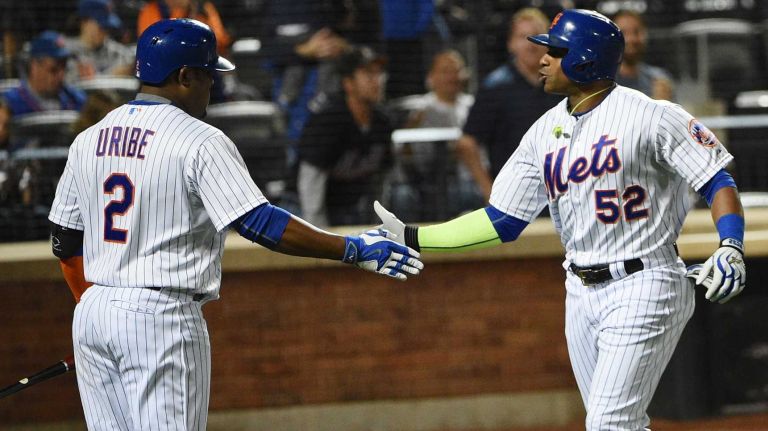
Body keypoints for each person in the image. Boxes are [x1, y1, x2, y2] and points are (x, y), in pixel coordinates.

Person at [374, 9, 746, 430]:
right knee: (616, 424)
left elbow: (717, 179)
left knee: (609, 423)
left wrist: (730, 245)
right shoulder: (542, 132)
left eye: (554, 51)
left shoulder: (654, 115)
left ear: (585, 58)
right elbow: (502, 220)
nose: (542, 60)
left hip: (647, 281)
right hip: (580, 291)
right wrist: (415, 237)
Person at [47, 19, 422, 430]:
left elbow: (65, 240)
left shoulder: (90, 138)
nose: (214, 86)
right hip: (160, 318)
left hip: (93, 312)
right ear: (184, 75)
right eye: (208, 75)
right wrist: (351, 249)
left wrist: (97, 307)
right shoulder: (199, 139)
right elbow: (259, 223)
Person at [455, 7, 560, 202]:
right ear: (511, 44)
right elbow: (467, 144)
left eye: (537, 36)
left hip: (560, 195)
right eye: (523, 37)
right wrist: (490, 193)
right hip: (514, 198)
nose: (531, 44)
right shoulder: (495, 87)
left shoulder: (562, 85)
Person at [297, 45, 392, 226]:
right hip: (302, 207)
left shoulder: (382, 122)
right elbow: (310, 182)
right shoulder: (329, 120)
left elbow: (382, 180)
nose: (377, 81)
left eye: (379, 74)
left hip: (349, 208)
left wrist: (381, 227)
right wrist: (320, 238)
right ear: (348, 83)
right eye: (368, 74)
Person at [391, 48, 479, 221]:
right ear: (431, 77)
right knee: (402, 198)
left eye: (457, 71)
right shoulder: (417, 109)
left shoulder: (474, 107)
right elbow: (401, 156)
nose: (452, 77)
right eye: (446, 71)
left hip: (464, 179)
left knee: (472, 193)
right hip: (419, 181)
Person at [1, 31, 86, 117]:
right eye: (54, 70)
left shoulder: (75, 100)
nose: (61, 76)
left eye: (64, 68)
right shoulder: (9, 104)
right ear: (34, 67)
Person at [613, 9, 674, 100]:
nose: (631, 39)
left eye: (636, 32)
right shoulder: (601, 84)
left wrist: (664, 104)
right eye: (624, 33)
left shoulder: (659, 79)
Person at [66, 0, 135, 81]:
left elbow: (131, 62)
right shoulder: (67, 51)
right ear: (85, 22)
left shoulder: (116, 51)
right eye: (101, 27)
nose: (105, 32)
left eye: (107, 27)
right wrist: (112, 75)